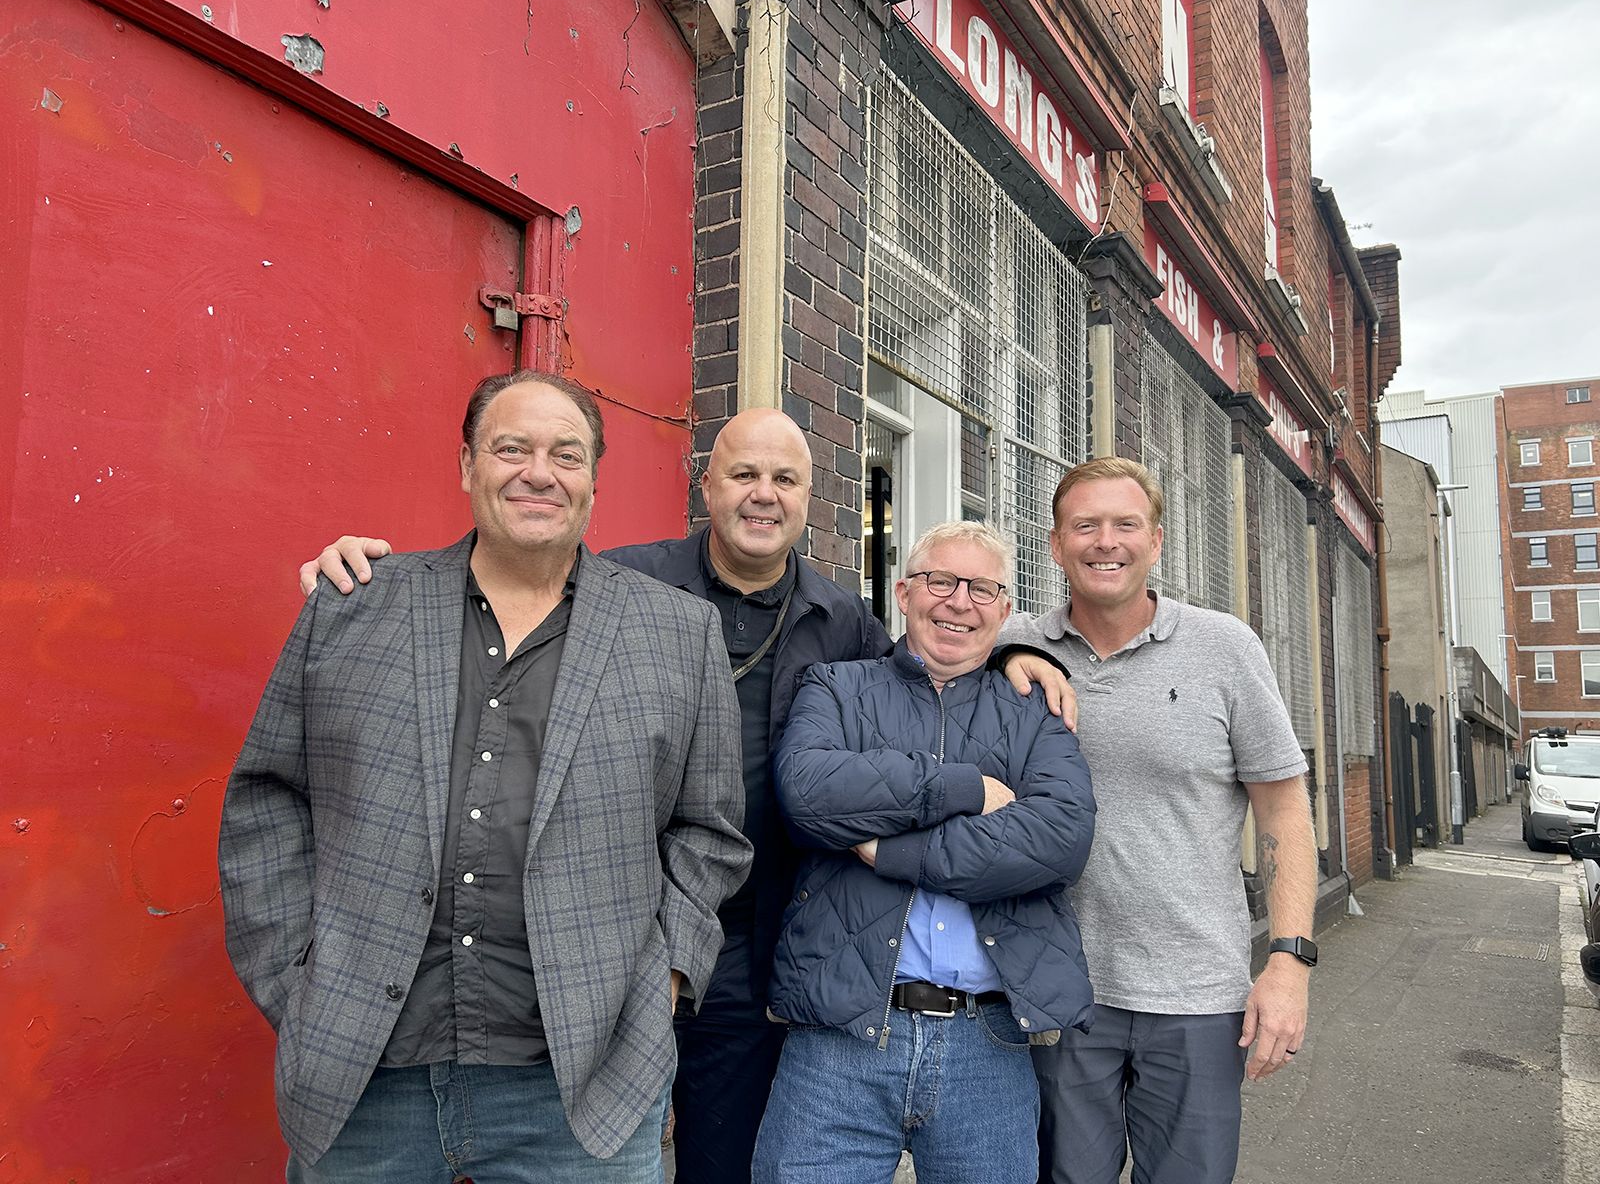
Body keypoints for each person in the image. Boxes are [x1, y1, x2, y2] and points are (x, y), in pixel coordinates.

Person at [294, 409, 1075, 1184]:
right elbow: (508, 584)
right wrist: (369, 579)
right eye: (743, 474)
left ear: (810, 498)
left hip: (761, 942)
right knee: (591, 1153)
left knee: (720, 1158)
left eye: (785, 479)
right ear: (708, 485)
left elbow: (932, 669)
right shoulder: (622, 584)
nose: (763, 495)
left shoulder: (844, 624)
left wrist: (1015, 653)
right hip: (617, 937)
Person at [220, 369, 751, 1182]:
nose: (539, 471)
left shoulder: (678, 632)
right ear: (468, 465)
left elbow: (708, 831)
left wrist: (666, 979)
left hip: (584, 1085)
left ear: (594, 481)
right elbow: (267, 801)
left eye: (565, 454)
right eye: (512, 448)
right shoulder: (355, 603)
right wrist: (298, 977)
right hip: (368, 1076)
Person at [1003, 456, 1318, 1184]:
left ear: (1157, 542)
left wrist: (1289, 963)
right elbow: (926, 648)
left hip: (1198, 999)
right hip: (1060, 988)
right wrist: (1008, 653)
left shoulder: (1224, 648)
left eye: (1125, 525)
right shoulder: (1016, 643)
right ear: (1055, 544)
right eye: (1085, 525)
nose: (1104, 542)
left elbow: (1282, 804)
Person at [750, 521, 1096, 1184]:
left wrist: (889, 850)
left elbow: (1059, 838)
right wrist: (965, 788)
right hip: (841, 1037)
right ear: (905, 593)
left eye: (981, 588)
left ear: (1004, 609)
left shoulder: (1034, 711)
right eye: (941, 581)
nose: (958, 601)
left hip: (987, 1043)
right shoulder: (836, 687)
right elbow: (809, 792)